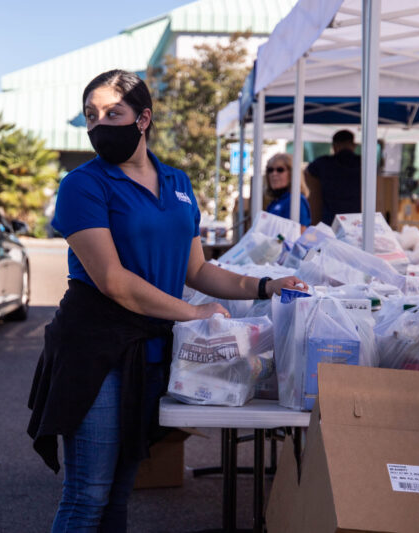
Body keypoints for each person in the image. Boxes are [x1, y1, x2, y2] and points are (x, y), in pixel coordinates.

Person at [27, 69, 308, 532]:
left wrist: (264, 286)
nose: (100, 124)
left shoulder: (177, 182)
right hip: (96, 348)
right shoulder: (82, 185)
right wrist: (193, 312)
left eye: (113, 113)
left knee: (118, 495)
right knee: (87, 497)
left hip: (149, 350)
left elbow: (195, 270)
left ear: (143, 119)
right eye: (91, 116)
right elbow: (114, 281)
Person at [304, 129, 361, 226]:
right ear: (353, 145)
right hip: (356, 222)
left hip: (330, 221)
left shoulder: (323, 163)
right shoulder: (363, 163)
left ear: (334, 146)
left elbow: (308, 172)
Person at [264, 152, 311, 226]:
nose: (274, 174)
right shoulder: (275, 202)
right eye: (270, 170)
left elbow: (300, 232)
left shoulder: (296, 201)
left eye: (280, 170)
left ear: (292, 174)